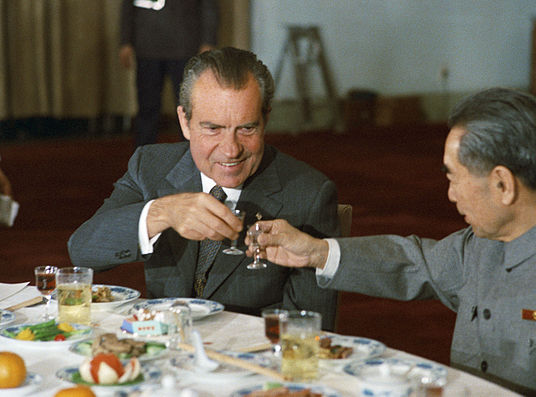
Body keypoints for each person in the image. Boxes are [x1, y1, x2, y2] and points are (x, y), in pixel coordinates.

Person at [248, 88, 536, 395]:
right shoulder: (483, 242)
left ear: (503, 185)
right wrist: (316, 252)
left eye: (455, 178)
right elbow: (414, 262)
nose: (450, 195)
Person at [68, 47, 340, 330]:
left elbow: (309, 332)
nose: (231, 149)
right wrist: (161, 213)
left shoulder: (309, 194)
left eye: (247, 129)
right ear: (185, 122)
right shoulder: (151, 166)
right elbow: (83, 250)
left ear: (266, 119)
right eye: (213, 129)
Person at [119, 0, 219, 147]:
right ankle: (144, 157)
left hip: (185, 47)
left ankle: (191, 157)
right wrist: (125, 41)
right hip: (147, 47)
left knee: (188, 109)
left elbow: (209, 6)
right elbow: (128, 7)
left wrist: (208, 41)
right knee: (147, 108)